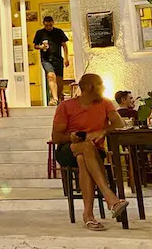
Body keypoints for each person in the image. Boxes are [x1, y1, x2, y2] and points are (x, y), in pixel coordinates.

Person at [51, 74, 128, 231]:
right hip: (68, 150)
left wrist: (102, 131)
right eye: (100, 84)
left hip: (93, 151)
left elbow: (119, 123)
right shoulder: (66, 106)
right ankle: (109, 197)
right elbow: (56, 137)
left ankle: (88, 215)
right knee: (84, 148)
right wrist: (71, 137)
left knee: (83, 158)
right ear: (88, 87)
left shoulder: (105, 104)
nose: (104, 88)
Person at [34, 16, 70, 106]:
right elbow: (35, 45)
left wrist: (66, 58)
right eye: (46, 25)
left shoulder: (59, 32)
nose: (48, 27)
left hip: (58, 59)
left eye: (50, 25)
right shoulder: (40, 33)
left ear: (53, 23)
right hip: (46, 59)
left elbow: (64, 45)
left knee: (59, 81)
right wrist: (41, 47)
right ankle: (54, 98)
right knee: (51, 76)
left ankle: (59, 98)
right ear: (44, 24)